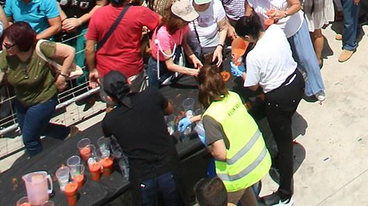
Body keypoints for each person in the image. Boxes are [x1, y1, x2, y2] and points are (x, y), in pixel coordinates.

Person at [0, 22, 78, 156]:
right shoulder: (5, 57)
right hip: (22, 102)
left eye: (8, 45)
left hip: (44, 99)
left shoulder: (41, 47)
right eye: (3, 43)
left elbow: (69, 52)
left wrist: (62, 77)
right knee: (33, 128)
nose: (4, 47)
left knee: (29, 139)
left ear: (21, 44)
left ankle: (38, 164)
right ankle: (67, 132)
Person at [235, 12, 301, 206]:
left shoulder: (254, 56)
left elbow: (253, 86)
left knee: (284, 146)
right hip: (296, 82)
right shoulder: (275, 31)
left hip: (279, 98)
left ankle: (285, 193)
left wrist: (242, 74)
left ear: (247, 38)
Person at [100, 70, 181, 206]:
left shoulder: (109, 121)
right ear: (129, 82)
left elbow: (107, 131)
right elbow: (170, 110)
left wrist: (111, 105)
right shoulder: (152, 94)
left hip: (143, 177)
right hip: (168, 167)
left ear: (109, 98)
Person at [196, 63, 271, 206]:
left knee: (225, 201)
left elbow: (221, 154)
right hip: (259, 158)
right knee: (244, 190)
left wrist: (209, 148)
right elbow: (225, 113)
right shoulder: (233, 97)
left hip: (239, 172)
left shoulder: (210, 118)